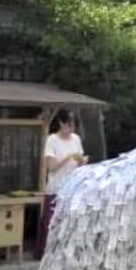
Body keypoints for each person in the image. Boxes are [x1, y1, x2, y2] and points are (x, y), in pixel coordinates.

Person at [35, 108, 87, 259]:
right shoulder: (52, 140)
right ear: (61, 123)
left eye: (73, 126)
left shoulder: (76, 139)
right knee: (51, 223)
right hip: (56, 187)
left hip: (73, 186)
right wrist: (69, 157)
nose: (71, 129)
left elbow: (81, 160)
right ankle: (46, 253)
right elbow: (51, 166)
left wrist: (81, 160)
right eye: (68, 125)